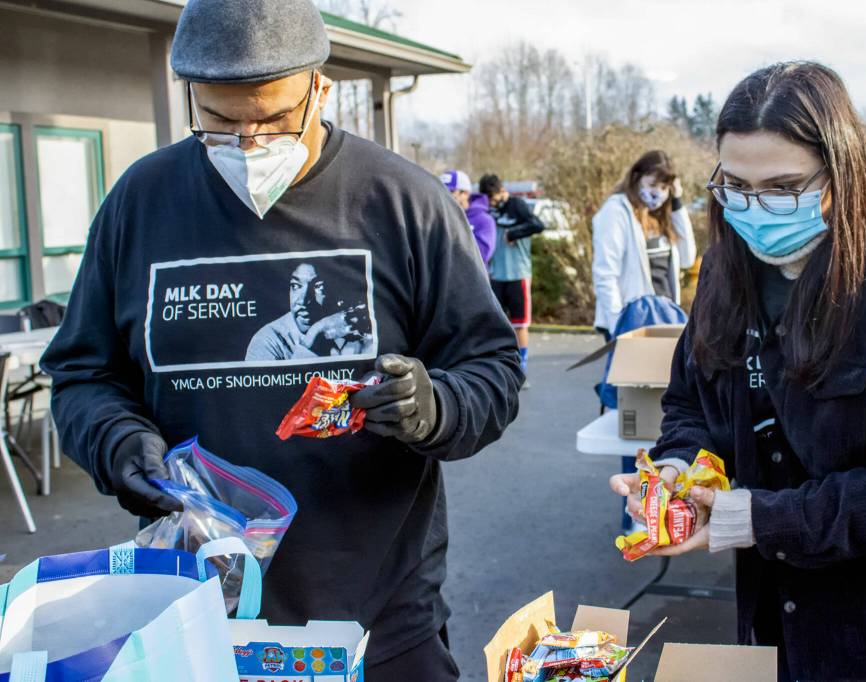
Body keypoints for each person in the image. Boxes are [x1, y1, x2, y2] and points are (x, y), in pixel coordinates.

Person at [39, 1, 524, 679]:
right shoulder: (140, 203)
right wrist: (115, 439)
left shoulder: (401, 202)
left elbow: (493, 370)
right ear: (192, 97)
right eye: (221, 120)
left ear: (321, 89)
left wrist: (436, 406)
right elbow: (82, 375)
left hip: (380, 620)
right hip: (193, 616)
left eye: (272, 118)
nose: (248, 142)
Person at [610, 61, 866, 681]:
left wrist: (753, 518)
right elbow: (689, 400)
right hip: (771, 599)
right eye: (735, 186)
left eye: (783, 187)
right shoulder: (725, 267)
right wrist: (680, 472)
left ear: (840, 173)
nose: (755, 209)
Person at [591, 150, 697, 340]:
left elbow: (687, 258)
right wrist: (618, 323)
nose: (658, 193)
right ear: (636, 178)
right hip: (632, 320)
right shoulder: (616, 212)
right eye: (653, 185)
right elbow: (605, 272)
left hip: (666, 316)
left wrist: (677, 202)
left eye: (665, 187)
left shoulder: (662, 218)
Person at [479, 173, 545, 381]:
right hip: (496, 275)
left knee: (519, 324)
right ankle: (499, 366)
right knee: (496, 324)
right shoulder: (487, 210)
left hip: (518, 274)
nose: (491, 202)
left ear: (501, 191)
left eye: (493, 197)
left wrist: (513, 233)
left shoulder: (517, 205)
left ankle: (522, 367)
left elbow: (537, 225)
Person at [246, 262, 372, 360]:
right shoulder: (267, 341)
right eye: (296, 286)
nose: (303, 300)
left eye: (318, 286)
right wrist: (315, 333)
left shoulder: (359, 328)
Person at [440, 169, 496, 264]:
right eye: (441, 191)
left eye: (450, 191)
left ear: (465, 193)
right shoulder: (438, 218)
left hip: (469, 278)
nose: (444, 196)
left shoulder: (484, 220)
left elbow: (481, 255)